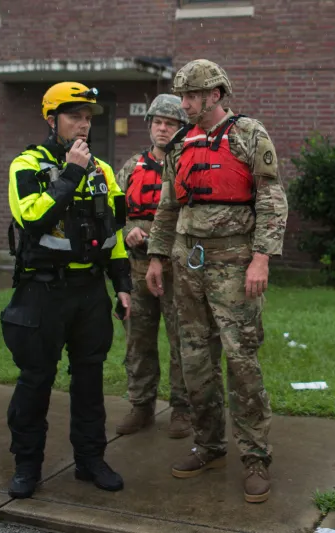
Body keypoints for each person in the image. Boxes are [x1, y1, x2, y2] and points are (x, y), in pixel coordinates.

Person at [145, 59, 288, 503]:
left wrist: (261, 258)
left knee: (241, 359)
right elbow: (168, 206)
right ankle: (208, 444)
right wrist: (155, 256)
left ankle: (255, 456)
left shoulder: (249, 135)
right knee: (194, 356)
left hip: (234, 260)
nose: (185, 103)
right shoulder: (182, 143)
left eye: (192, 96)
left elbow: (271, 199)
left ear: (216, 95)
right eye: (183, 95)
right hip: (187, 261)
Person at [2, 81, 132, 499]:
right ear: (51, 119)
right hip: (43, 292)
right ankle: (27, 465)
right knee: (36, 379)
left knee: (90, 380)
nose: (83, 125)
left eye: (88, 118)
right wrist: (72, 170)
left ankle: (90, 459)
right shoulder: (26, 165)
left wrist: (123, 286)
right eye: (74, 116)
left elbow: (113, 233)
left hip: (89, 293)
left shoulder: (104, 171)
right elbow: (34, 219)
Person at [115, 94, 199, 440]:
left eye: (170, 123)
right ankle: (141, 405)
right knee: (138, 339)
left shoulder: (190, 164)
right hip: (137, 269)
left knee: (182, 340)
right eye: (158, 122)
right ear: (150, 125)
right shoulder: (131, 166)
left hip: (176, 268)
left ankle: (182, 408)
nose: (163, 129)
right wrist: (126, 231)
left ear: (182, 127)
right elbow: (113, 213)